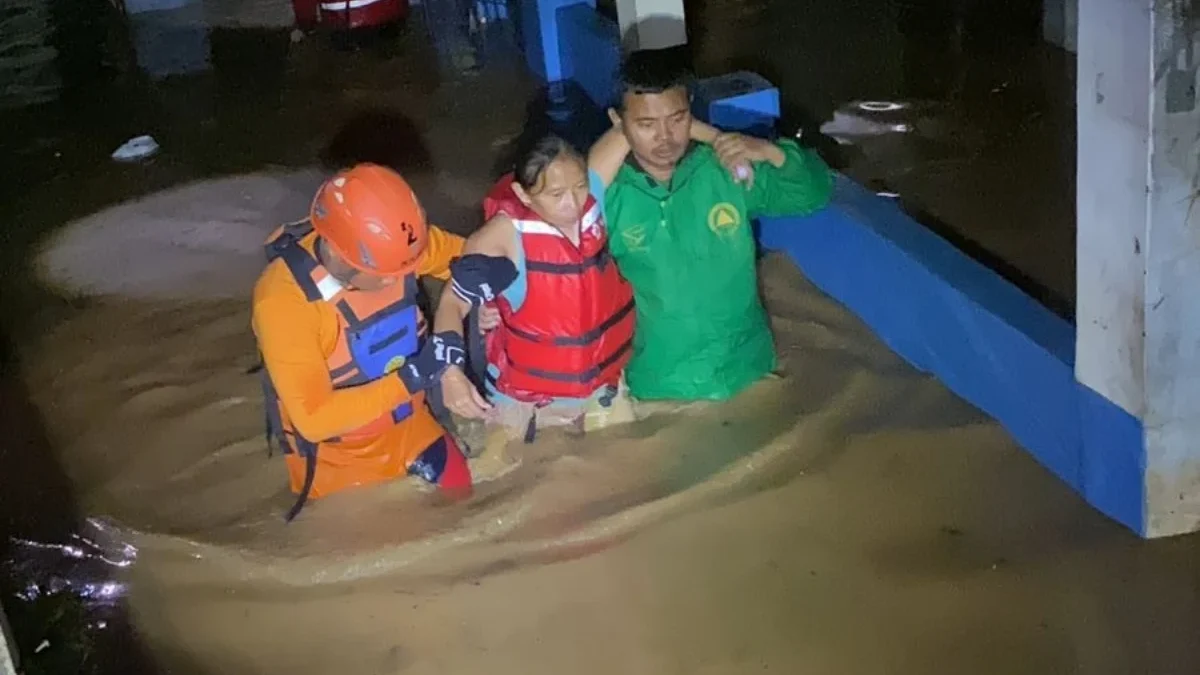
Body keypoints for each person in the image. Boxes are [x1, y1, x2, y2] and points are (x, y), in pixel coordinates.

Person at [588, 48, 834, 401]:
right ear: (619, 122)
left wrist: (771, 152)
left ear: (691, 108)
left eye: (677, 118)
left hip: (751, 373)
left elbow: (814, 193)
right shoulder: (609, 197)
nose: (665, 137)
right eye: (646, 124)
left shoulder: (726, 169)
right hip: (657, 387)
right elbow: (557, 235)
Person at [253, 163, 492, 520]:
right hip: (340, 461)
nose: (397, 280)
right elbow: (315, 420)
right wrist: (415, 376)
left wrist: (489, 297)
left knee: (466, 511)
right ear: (338, 253)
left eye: (403, 269)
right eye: (384, 276)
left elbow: (473, 260)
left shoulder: (397, 251)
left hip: (411, 428)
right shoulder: (283, 302)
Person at [432, 133, 638, 444]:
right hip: (527, 402)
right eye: (556, 194)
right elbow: (452, 301)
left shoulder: (591, 194)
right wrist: (449, 374)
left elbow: (632, 124)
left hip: (600, 387)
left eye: (579, 187)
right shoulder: (501, 235)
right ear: (523, 195)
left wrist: (719, 140)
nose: (573, 204)